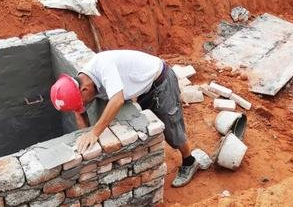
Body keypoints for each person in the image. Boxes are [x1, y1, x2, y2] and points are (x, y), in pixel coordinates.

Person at [50, 50, 199, 188]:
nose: (82, 106)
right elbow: (79, 112)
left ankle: (189, 161)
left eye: (82, 102)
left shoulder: (103, 66)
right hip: (144, 89)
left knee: (172, 129)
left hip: (161, 81)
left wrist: (94, 133)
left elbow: (117, 100)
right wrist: (87, 139)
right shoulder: (80, 83)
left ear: (84, 90)